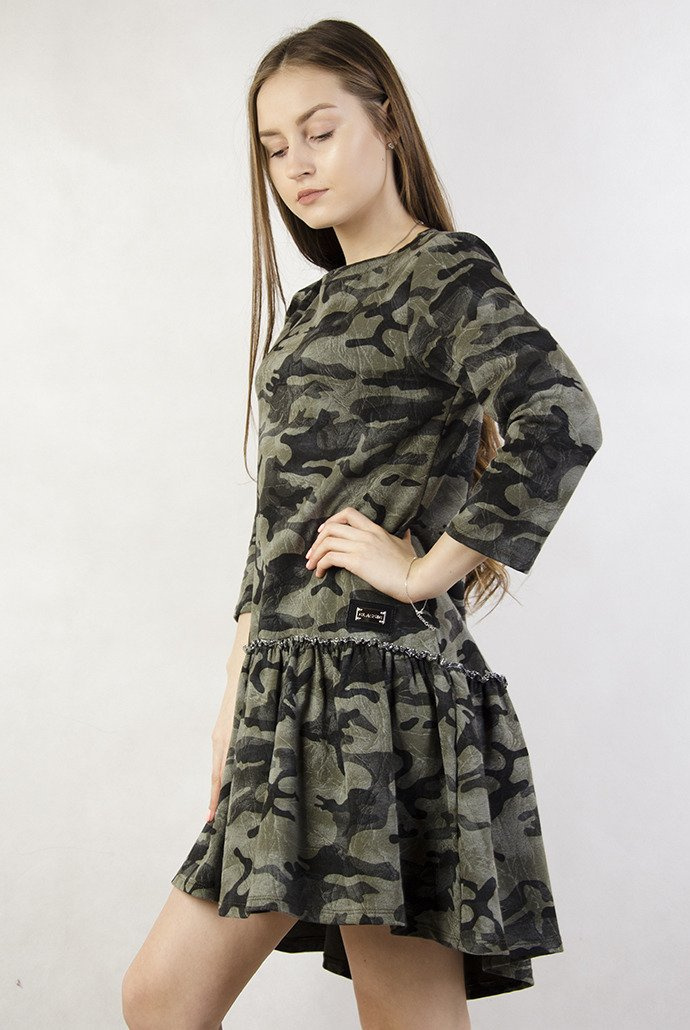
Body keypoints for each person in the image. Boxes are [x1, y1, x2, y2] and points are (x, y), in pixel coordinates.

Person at [122, 18, 603, 1030]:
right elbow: (279, 516)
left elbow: (560, 417)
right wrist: (235, 692)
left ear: (386, 123)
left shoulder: (446, 274)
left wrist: (426, 570)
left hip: (384, 697)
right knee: (162, 998)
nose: (295, 165)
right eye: (273, 147)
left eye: (319, 131)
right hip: (287, 691)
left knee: (401, 1017)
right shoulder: (309, 311)